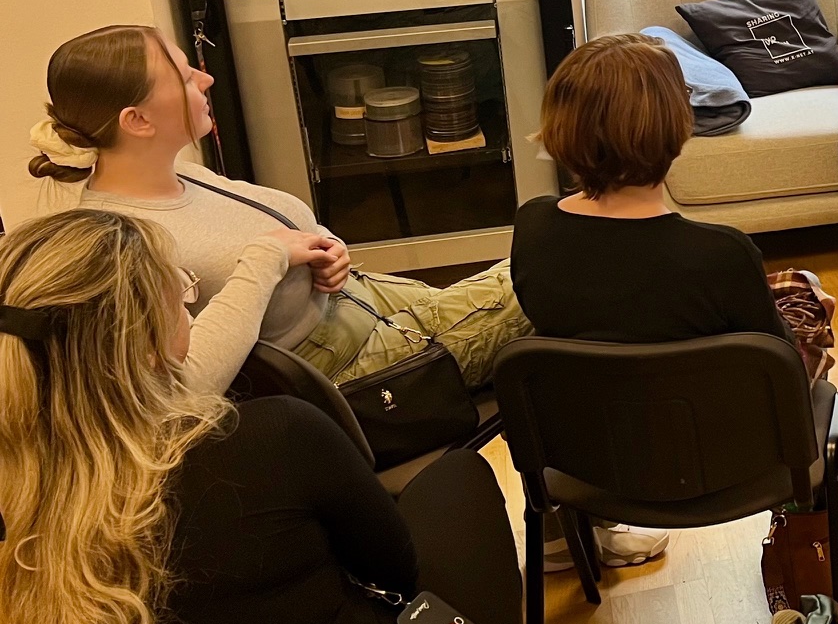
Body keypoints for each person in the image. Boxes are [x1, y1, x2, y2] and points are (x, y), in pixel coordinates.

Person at [0, 210, 524, 624]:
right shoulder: (273, 439)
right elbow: (397, 573)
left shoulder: (24, 525)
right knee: (459, 476)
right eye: (182, 291)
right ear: (145, 343)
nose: (192, 305)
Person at [510, 32, 838, 571]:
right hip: (731, 464)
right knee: (807, 300)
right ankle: (833, 510)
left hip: (591, 461)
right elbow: (782, 372)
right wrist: (809, 315)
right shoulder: (720, 253)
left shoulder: (533, 227)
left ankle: (564, 538)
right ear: (675, 126)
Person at [28, 24, 531, 392]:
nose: (205, 80)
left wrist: (328, 250)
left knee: (543, 272)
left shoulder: (178, 172)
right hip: (342, 371)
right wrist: (269, 260)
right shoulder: (126, 245)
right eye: (183, 78)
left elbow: (274, 229)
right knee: (554, 275)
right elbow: (186, 385)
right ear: (137, 120)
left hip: (360, 303)